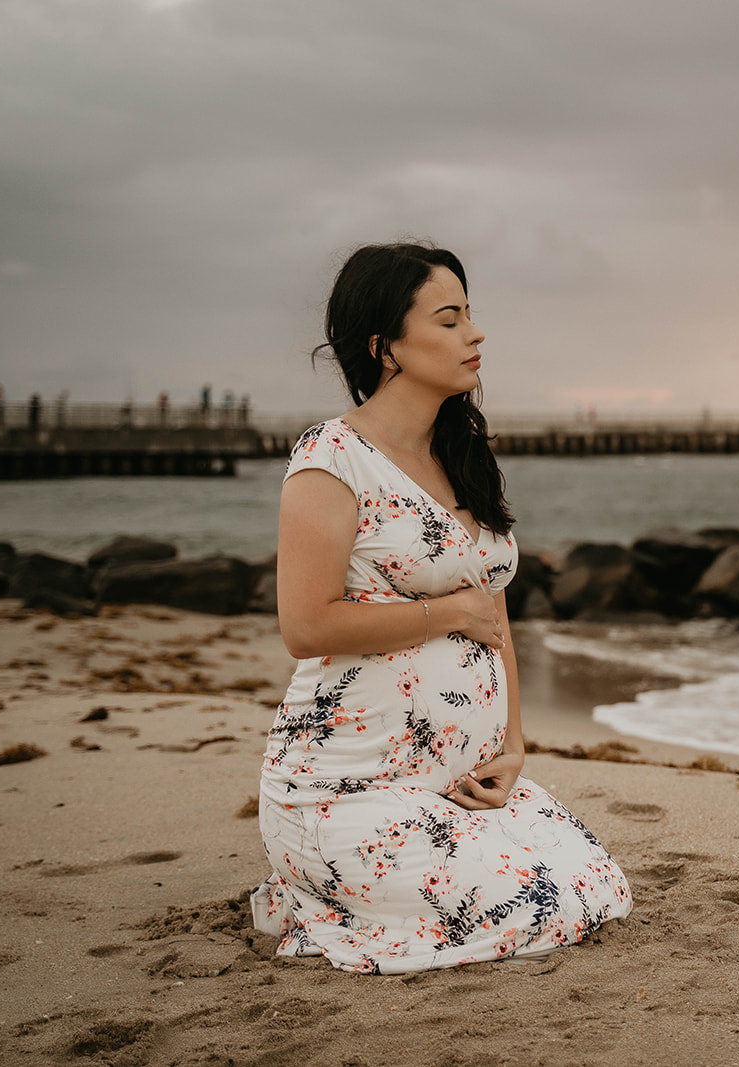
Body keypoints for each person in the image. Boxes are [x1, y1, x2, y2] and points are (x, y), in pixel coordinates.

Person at [251, 242, 631, 973]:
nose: (475, 334)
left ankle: (333, 895)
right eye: (449, 319)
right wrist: (446, 615)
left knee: (599, 886)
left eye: (471, 317)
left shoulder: (461, 453)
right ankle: (310, 891)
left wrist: (513, 744)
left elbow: (495, 611)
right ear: (383, 346)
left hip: (454, 785)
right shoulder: (331, 459)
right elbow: (306, 625)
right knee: (539, 904)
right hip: (345, 788)